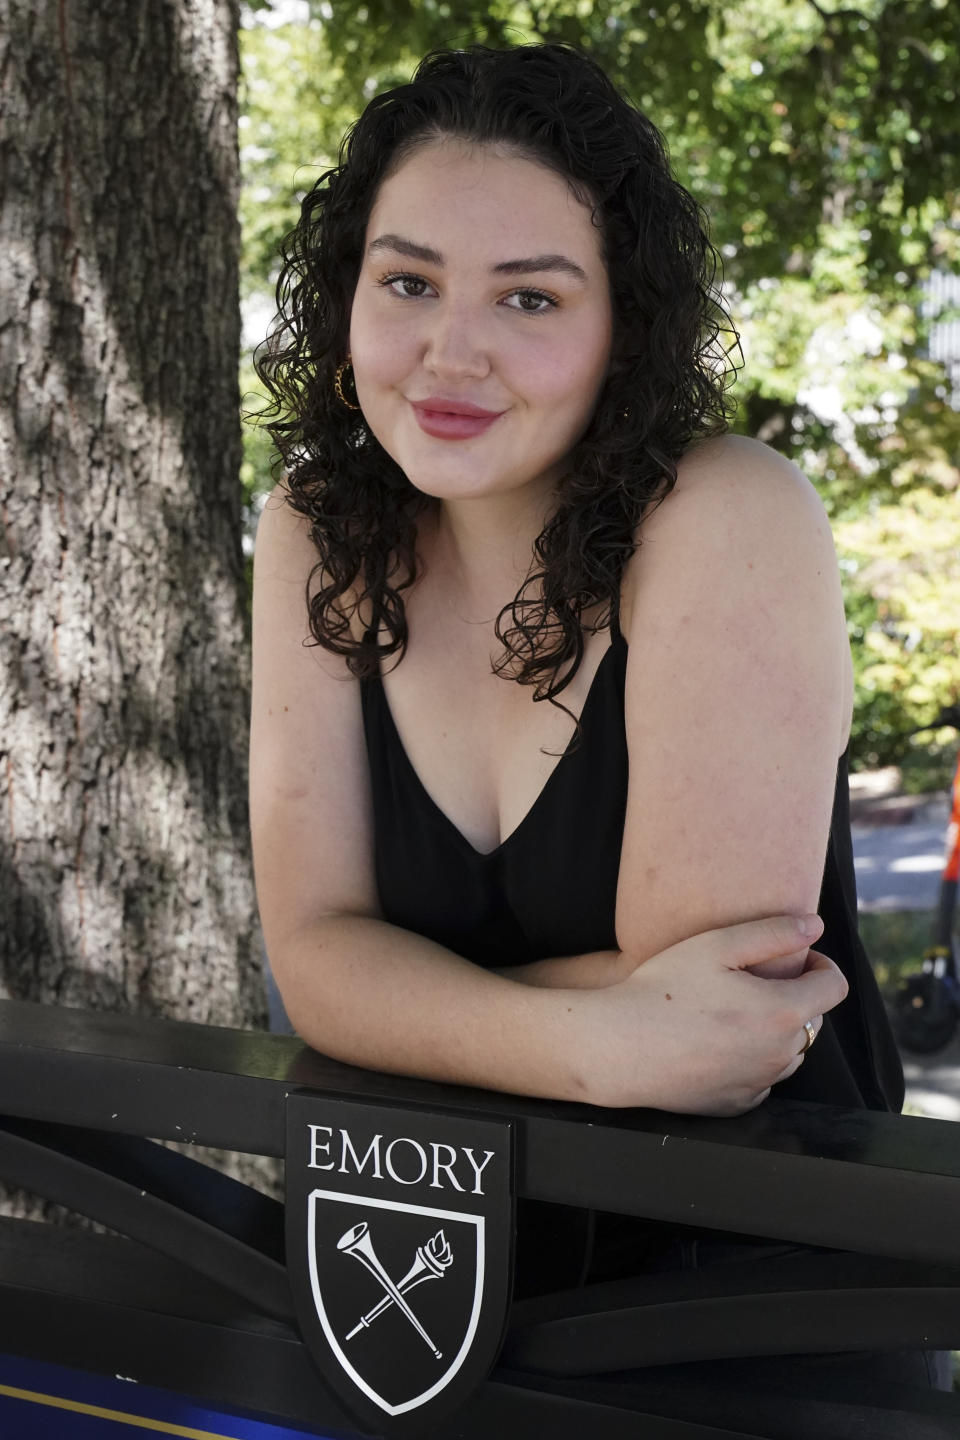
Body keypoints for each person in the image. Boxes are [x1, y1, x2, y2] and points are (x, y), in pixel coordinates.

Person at [249, 43, 947, 1419]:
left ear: (622, 324)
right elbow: (318, 960)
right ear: (348, 297)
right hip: (421, 1292)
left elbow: (712, 1024)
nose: (453, 350)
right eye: (409, 282)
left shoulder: (727, 513)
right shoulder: (320, 535)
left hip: (744, 1300)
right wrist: (595, 1033)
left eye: (529, 296)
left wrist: (415, 993)